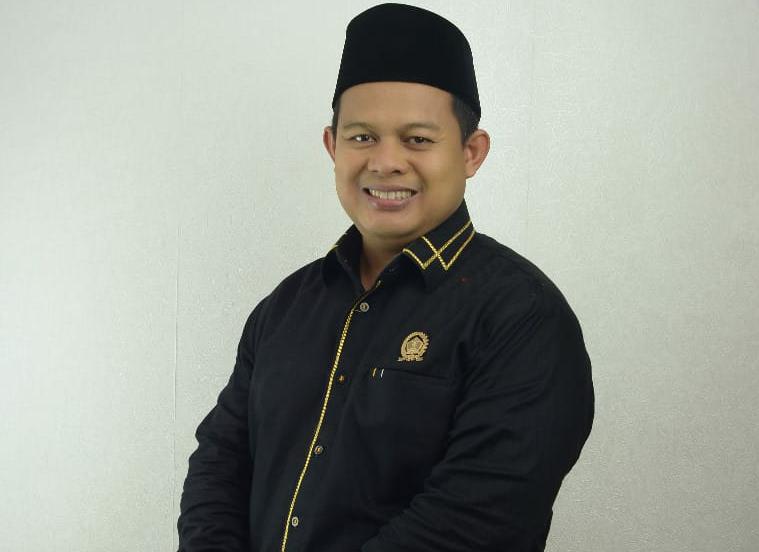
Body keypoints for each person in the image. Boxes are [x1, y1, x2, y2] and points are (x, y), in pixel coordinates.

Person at [177, 3, 594, 551]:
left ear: (471, 153)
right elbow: (218, 466)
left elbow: (475, 523)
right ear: (332, 146)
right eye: (362, 137)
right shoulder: (284, 308)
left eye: (417, 139)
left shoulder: (522, 316)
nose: (386, 162)